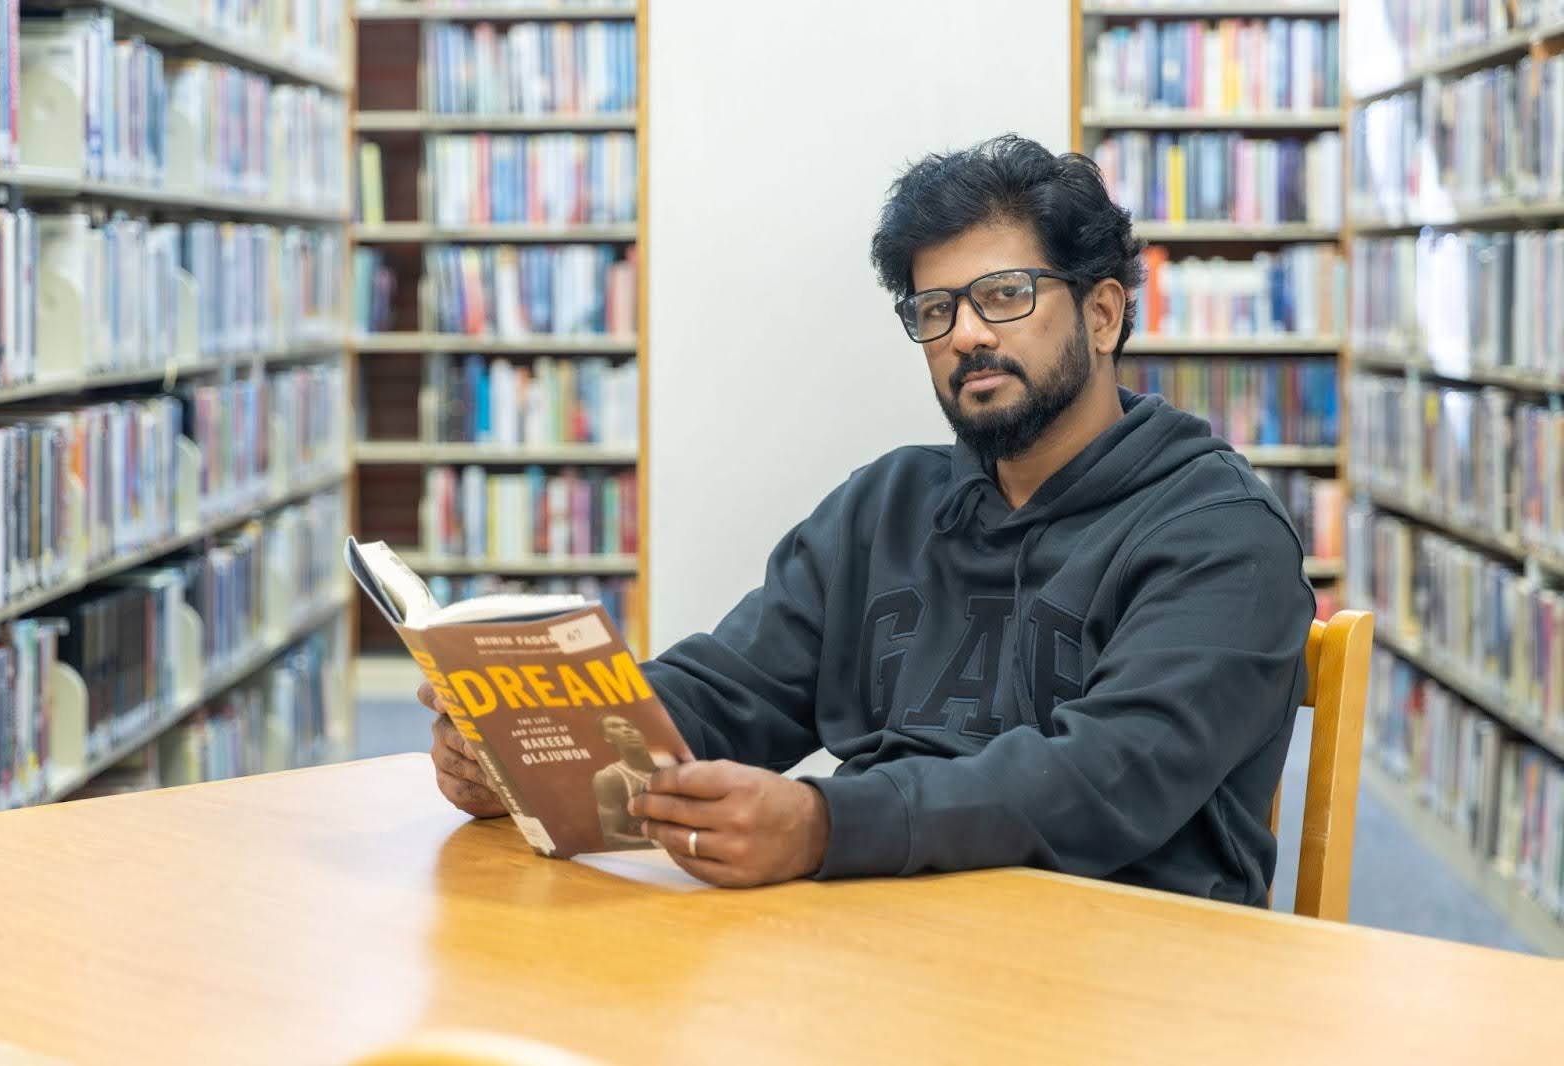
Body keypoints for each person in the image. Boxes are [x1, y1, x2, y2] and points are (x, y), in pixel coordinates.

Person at [424, 133, 1313, 902]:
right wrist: (544, 750)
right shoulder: (888, 506)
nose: (966, 334)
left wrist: (824, 825)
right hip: (888, 939)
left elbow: (1107, 777)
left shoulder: (1220, 534)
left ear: (1104, 312)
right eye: (936, 309)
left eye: (1005, 294)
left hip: (1129, 965)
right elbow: (733, 689)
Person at [592, 715, 660, 848]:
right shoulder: (609, 777)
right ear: (607, 738)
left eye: (630, 726)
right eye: (615, 726)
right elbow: (612, 837)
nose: (626, 730)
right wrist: (663, 843)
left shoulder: (673, 763)